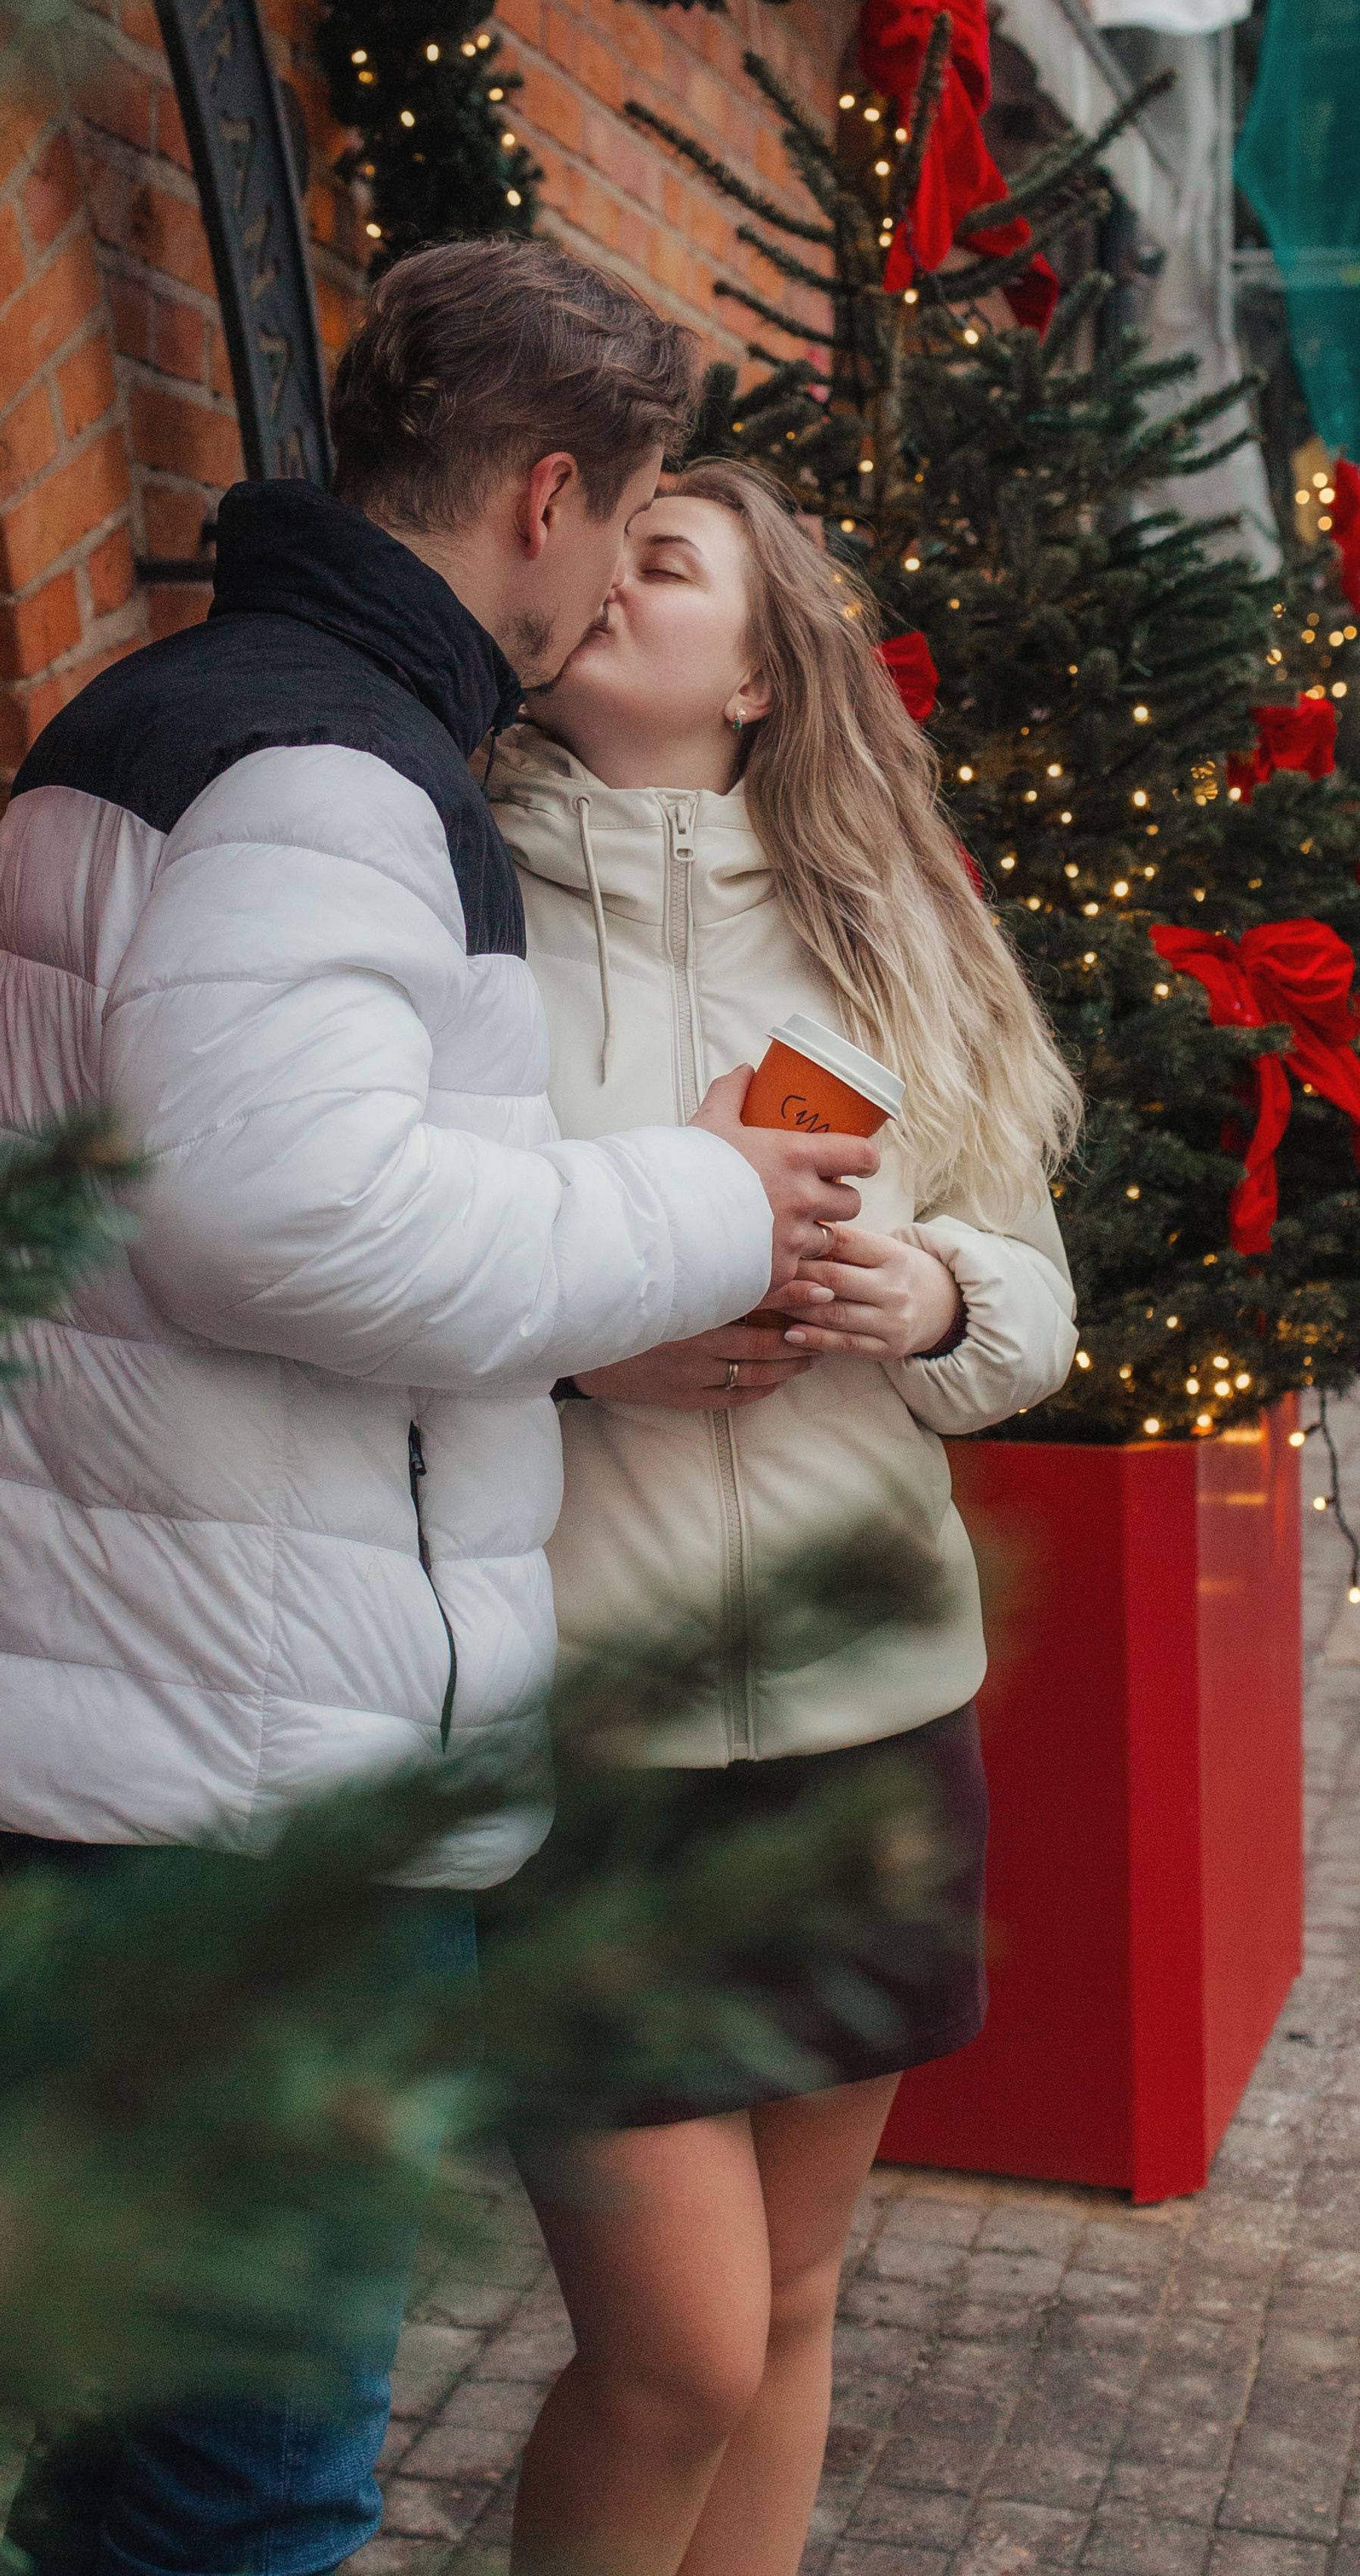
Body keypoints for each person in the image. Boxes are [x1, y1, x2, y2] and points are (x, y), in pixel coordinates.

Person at [0, 248, 879, 2576]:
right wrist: (704, 1202)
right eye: (638, 515)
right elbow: (285, 1226)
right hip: (233, 1736)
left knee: (159, 2419)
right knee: (250, 2471)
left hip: (170, 1671)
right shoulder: (329, 768)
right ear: (554, 494)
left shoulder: (210, 709)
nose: (609, 575)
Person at [485, 458, 1080, 2576]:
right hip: (585, 1730)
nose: (605, 578)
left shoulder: (883, 918)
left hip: (869, 1714)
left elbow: (1031, 1308)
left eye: (667, 560)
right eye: (602, 544)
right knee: (677, 2353)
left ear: (758, 673)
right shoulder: (454, 898)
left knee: (799, 2302)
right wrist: (578, 1343)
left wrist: (926, 1291)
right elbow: (354, 1265)